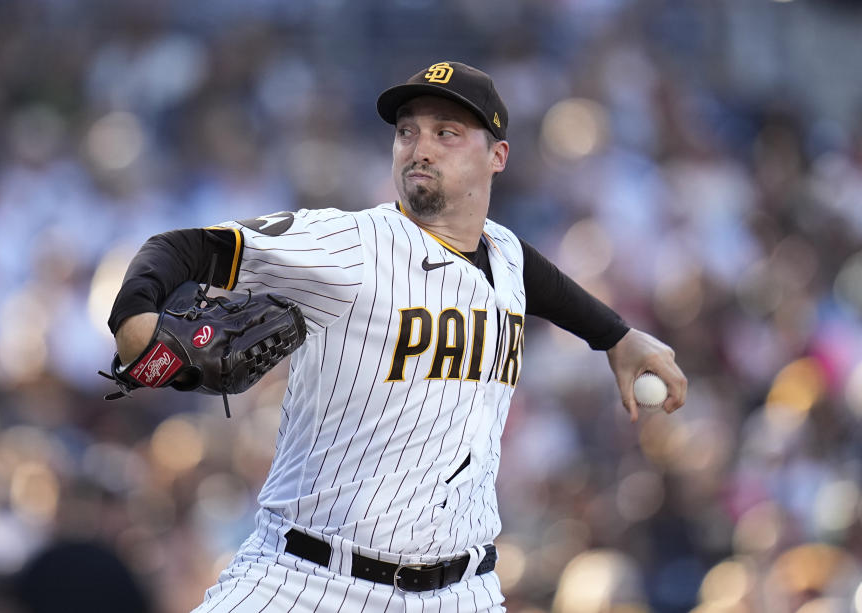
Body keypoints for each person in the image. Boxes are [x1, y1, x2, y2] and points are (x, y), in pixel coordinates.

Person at [108, 61, 687, 612]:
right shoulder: (351, 246)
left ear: (498, 155)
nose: (421, 146)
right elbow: (180, 247)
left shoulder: (505, 253)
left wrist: (615, 336)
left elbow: (539, 279)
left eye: (447, 132)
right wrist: (135, 316)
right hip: (309, 581)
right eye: (407, 131)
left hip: (464, 589)